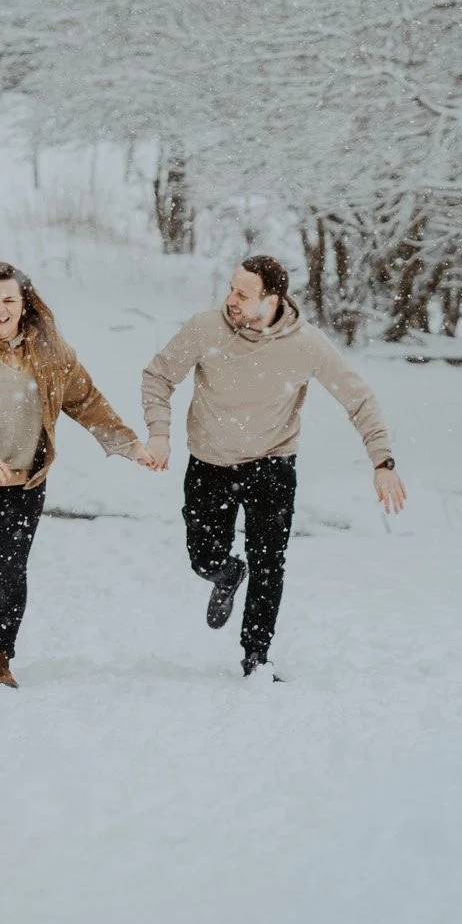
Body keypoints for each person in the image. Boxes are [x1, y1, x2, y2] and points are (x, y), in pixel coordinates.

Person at [141, 254, 406, 677]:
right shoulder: (207, 329)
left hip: (272, 464)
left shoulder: (306, 344)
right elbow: (158, 376)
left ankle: (256, 658)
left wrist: (383, 459)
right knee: (203, 558)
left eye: (243, 295)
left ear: (273, 299)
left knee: (269, 563)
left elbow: (358, 398)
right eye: (231, 289)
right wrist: (159, 431)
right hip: (210, 462)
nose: (231, 300)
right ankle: (225, 574)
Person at [0, 261, 152, 688]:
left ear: (25, 305)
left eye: (8, 300)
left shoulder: (49, 352)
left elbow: (85, 399)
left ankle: (0, 658)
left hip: (21, 486)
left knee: (10, 572)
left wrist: (127, 444)